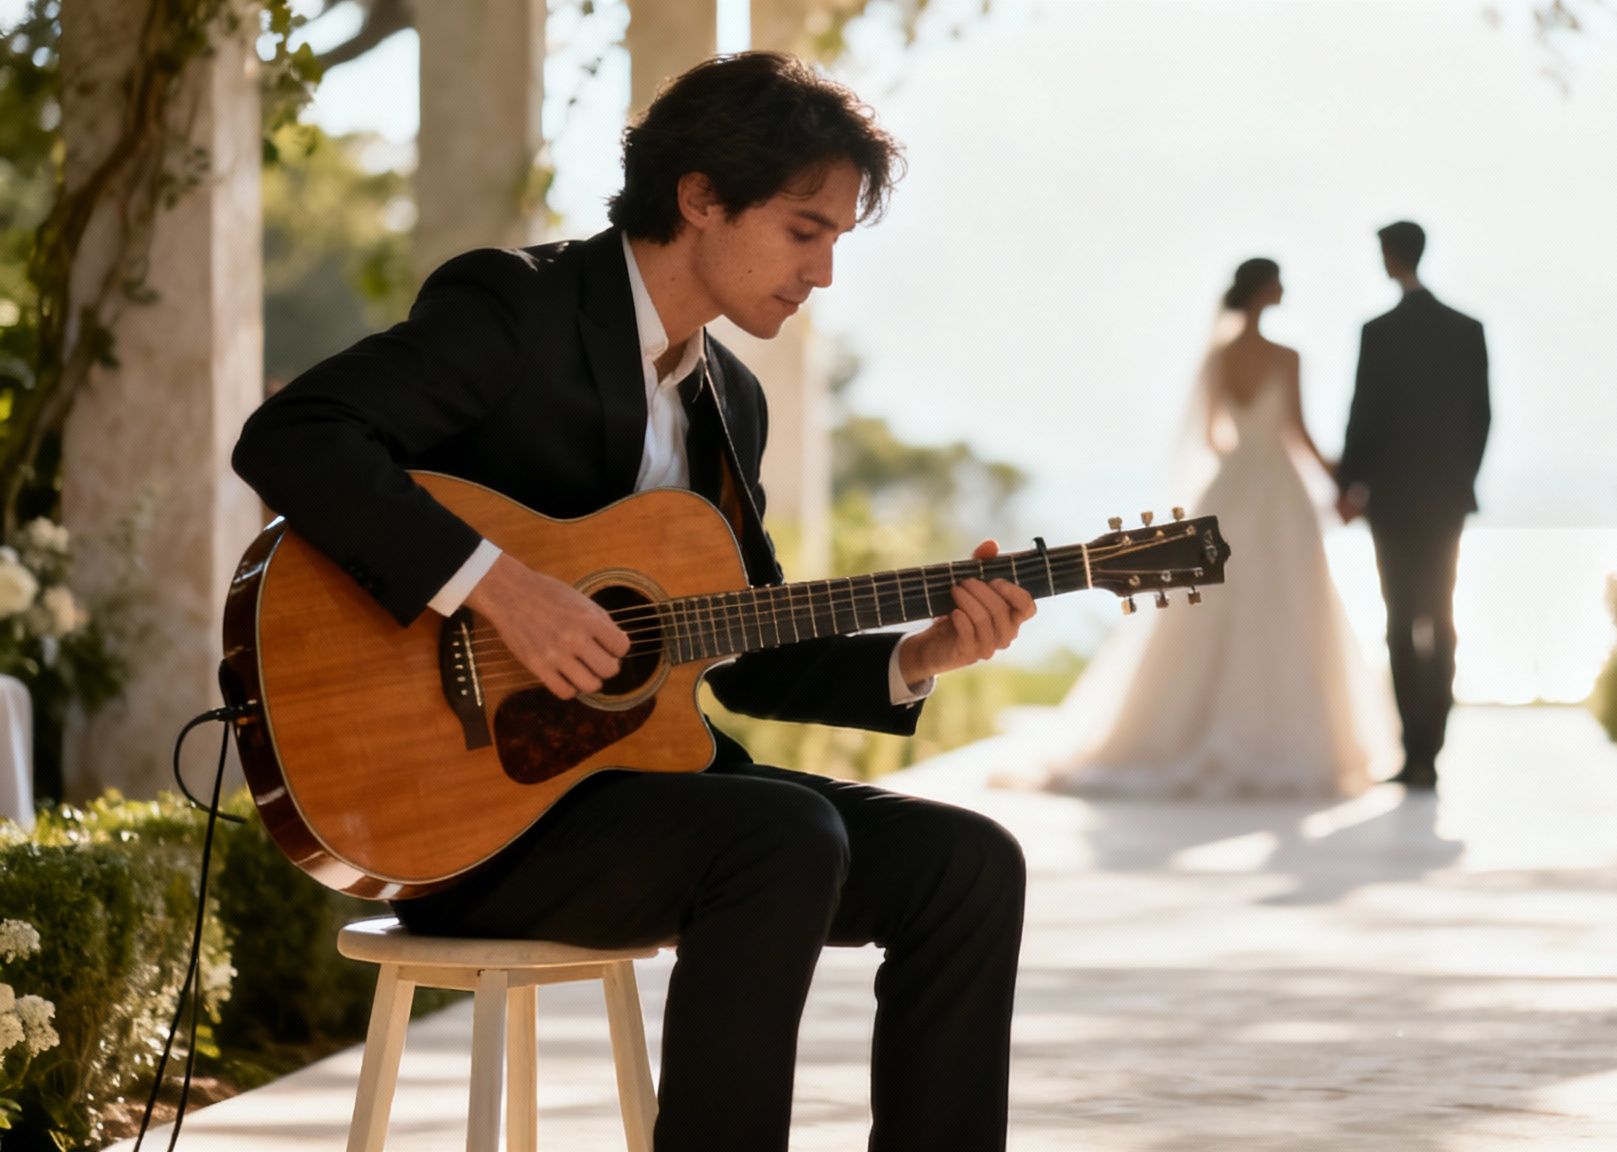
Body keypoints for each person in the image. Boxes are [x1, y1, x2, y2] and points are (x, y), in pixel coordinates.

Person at [233, 53, 1034, 1152]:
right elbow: (294, 437)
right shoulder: (516, 308)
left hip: (634, 803)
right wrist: (502, 591)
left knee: (969, 865)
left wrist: (924, 651)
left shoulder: (727, 401)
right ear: (701, 196)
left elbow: (736, 646)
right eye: (806, 231)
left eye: (839, 241)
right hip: (464, 818)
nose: (825, 275)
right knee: (782, 836)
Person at [1041, 257, 1375, 799]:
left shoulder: (1218, 357)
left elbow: (1215, 437)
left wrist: (1245, 460)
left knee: (1211, 604)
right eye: (1280, 281)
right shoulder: (1287, 357)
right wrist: (1341, 480)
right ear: (1264, 289)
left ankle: (1182, 726)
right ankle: (1276, 736)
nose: (1285, 288)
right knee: (1287, 604)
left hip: (1230, 486)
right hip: (1277, 492)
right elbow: (1297, 432)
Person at [1336, 221, 1490, 791]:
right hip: (1446, 497)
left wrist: (1350, 485)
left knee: (1402, 621)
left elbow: (1363, 414)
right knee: (1440, 620)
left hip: (1394, 501)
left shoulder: (1378, 332)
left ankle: (1415, 752)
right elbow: (1482, 417)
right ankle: (1432, 749)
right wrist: (1461, 480)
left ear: (1390, 256)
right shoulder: (1466, 330)